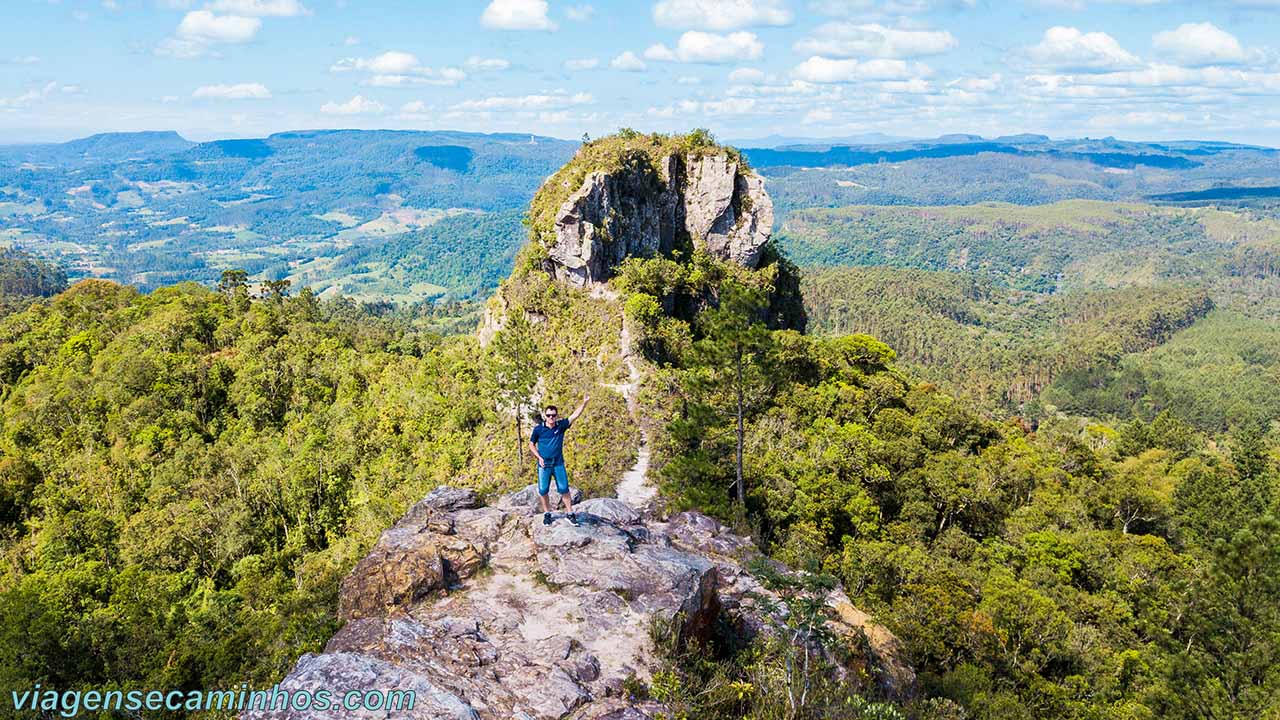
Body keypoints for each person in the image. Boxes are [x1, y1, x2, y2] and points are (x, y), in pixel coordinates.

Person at [530, 395, 589, 526]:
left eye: (553, 415)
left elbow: (574, 416)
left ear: (556, 416)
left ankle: (570, 513)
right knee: (543, 490)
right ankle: (547, 513)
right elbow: (531, 444)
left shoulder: (560, 426)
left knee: (564, 488)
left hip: (558, 463)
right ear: (545, 416)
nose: (551, 418)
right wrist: (539, 457)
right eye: (549, 415)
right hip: (544, 464)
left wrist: (584, 403)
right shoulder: (538, 429)